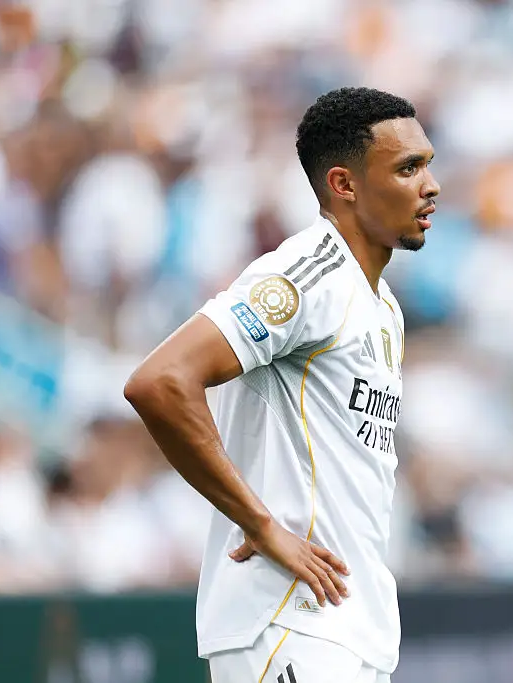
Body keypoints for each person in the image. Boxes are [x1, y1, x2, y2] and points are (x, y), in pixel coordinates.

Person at [124, 87, 439, 683]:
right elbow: (160, 381)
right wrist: (261, 522)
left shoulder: (382, 307)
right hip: (288, 619)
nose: (431, 185)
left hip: (349, 625)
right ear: (344, 185)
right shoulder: (306, 274)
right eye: (407, 168)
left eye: (427, 164)